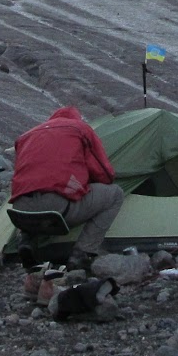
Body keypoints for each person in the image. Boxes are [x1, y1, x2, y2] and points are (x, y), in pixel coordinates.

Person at [10, 106, 125, 270]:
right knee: (115, 195)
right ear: (76, 118)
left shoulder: (26, 136)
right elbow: (103, 173)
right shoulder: (80, 129)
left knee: (34, 190)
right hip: (56, 208)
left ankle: (26, 241)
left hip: (19, 211)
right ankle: (83, 253)